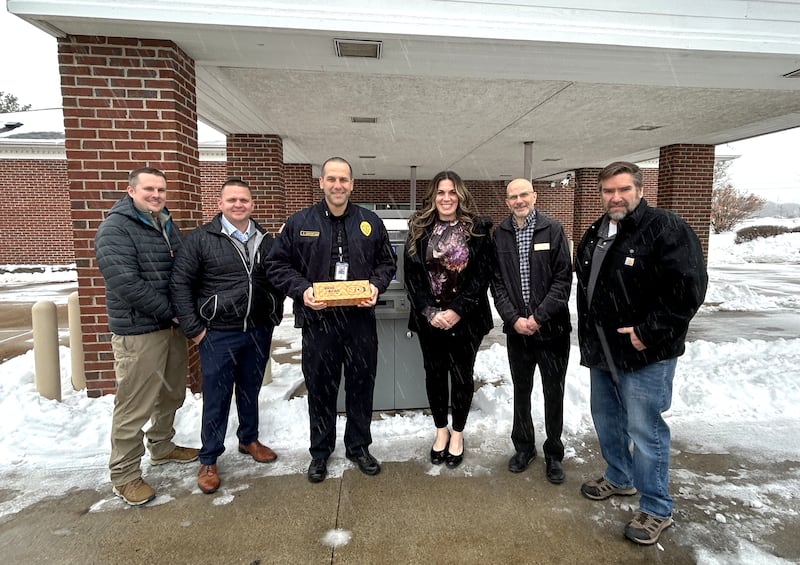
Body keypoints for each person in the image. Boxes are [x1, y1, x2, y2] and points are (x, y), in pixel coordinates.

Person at [576, 161, 707, 545]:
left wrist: (648, 332)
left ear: (638, 189)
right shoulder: (599, 230)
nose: (615, 197)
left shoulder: (666, 228)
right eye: (608, 191)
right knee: (607, 417)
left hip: (645, 352)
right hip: (603, 349)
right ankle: (619, 477)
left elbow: (689, 289)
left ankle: (656, 508)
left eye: (623, 190)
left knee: (644, 430)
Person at [265, 157, 396, 483]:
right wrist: (303, 290)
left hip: (359, 320)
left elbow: (387, 262)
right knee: (321, 388)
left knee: (361, 386)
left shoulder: (369, 221)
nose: (338, 185)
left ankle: (358, 447)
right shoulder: (299, 223)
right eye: (331, 179)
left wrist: (376, 286)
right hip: (318, 323)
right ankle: (320, 452)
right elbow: (277, 265)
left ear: (352, 184)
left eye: (344, 179)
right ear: (322, 183)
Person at [170, 178, 285, 494]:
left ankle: (249, 439)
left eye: (244, 200)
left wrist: (273, 314)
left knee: (250, 390)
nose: (238, 205)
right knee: (217, 397)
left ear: (252, 205)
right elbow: (180, 285)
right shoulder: (201, 240)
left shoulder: (265, 240)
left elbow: (279, 279)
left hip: (257, 331)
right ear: (219, 204)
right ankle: (209, 459)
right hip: (218, 334)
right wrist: (195, 330)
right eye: (232, 200)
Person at [94, 166, 199, 506]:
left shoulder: (165, 224)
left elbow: (182, 268)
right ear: (131, 191)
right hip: (139, 330)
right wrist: (173, 310)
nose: (156, 195)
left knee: (170, 393)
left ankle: (163, 446)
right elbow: (125, 283)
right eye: (149, 189)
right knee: (134, 404)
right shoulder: (115, 228)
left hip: (170, 327)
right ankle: (124, 476)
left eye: (161, 190)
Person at [404, 170, 494, 469]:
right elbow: (412, 276)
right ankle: (440, 430)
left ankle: (458, 433)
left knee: (461, 376)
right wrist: (430, 312)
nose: (446, 198)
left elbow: (481, 277)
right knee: (434, 374)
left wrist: (456, 310)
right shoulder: (419, 228)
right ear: (433, 197)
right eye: (441, 192)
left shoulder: (477, 229)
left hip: (466, 318)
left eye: (452, 192)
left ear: (460, 196)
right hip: (430, 320)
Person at [491, 178, 572, 483]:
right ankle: (524, 448)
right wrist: (513, 319)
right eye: (513, 196)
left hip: (552, 332)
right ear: (507, 202)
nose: (519, 200)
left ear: (534, 196)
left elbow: (563, 279)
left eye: (524, 194)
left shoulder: (553, 230)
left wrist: (538, 317)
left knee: (554, 393)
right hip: (517, 333)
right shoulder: (500, 235)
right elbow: (496, 283)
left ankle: (553, 453)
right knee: (521, 392)